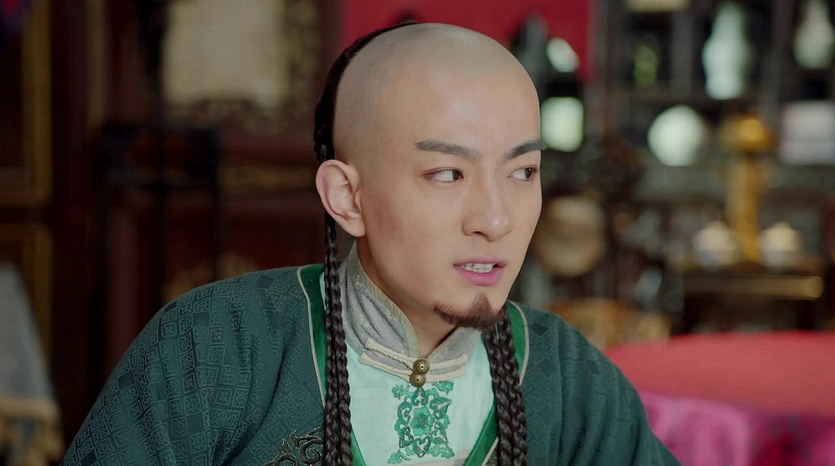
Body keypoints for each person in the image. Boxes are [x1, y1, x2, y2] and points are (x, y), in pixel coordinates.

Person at [62, 22, 679, 465]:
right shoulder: (218, 345)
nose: (496, 219)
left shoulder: (569, 379)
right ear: (347, 197)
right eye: (447, 173)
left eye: (523, 172)